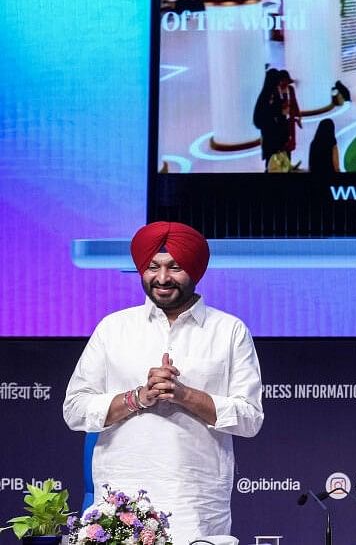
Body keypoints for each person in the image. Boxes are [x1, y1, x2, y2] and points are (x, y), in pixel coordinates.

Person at [63, 222, 264, 544]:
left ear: (196, 270)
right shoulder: (114, 328)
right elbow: (74, 410)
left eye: (175, 267)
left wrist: (183, 395)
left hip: (196, 502)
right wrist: (138, 397)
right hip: (120, 503)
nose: (162, 278)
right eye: (153, 267)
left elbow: (250, 418)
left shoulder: (229, 331)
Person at [252, 68, 288, 171]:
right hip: (271, 136)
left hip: (274, 135)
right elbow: (266, 116)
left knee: (275, 161)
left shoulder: (271, 94)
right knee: (272, 162)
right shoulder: (268, 96)